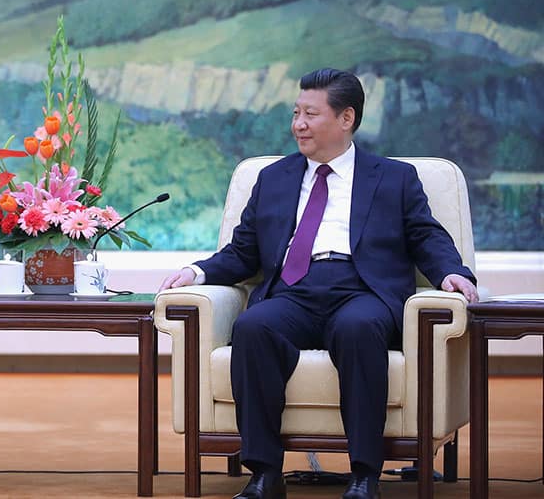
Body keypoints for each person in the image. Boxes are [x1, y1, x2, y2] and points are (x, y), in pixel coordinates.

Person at [159, 68, 478, 499]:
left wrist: (451, 272)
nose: (298, 124)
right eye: (295, 113)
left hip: (362, 290)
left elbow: (426, 235)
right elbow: (243, 251)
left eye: (310, 113)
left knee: (358, 329)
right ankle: (265, 474)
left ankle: (364, 475)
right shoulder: (272, 178)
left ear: (346, 118)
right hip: (294, 290)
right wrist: (196, 272)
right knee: (253, 328)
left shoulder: (393, 178)